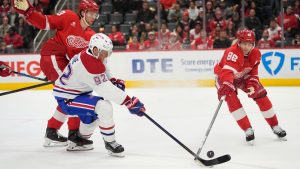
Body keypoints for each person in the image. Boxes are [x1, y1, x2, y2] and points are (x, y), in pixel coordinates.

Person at [12, 0, 125, 148]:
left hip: (64, 63)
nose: (93, 16)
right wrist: (29, 11)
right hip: (51, 56)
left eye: (95, 14)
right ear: (82, 12)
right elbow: (45, 23)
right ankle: (73, 134)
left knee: (76, 91)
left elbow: (90, 62)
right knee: (72, 93)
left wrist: (111, 79)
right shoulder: (68, 17)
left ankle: (52, 130)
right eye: (91, 13)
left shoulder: (91, 36)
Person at [53, 33, 145, 156]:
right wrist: (129, 102)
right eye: (104, 53)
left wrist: (112, 80)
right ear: (95, 49)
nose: (106, 56)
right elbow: (104, 88)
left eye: (108, 53)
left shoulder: (92, 53)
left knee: (93, 118)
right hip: (68, 99)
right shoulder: (89, 63)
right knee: (104, 107)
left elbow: (104, 66)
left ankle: (78, 141)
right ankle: (110, 143)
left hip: (77, 95)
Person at [214, 29, 287, 144]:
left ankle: (275, 125)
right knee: (232, 100)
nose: (246, 47)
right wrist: (227, 84)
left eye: (249, 44)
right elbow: (227, 72)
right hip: (224, 77)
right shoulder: (232, 52)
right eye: (244, 43)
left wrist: (252, 84)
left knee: (261, 94)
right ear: (239, 42)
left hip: (242, 76)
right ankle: (247, 129)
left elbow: (253, 73)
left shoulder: (256, 53)